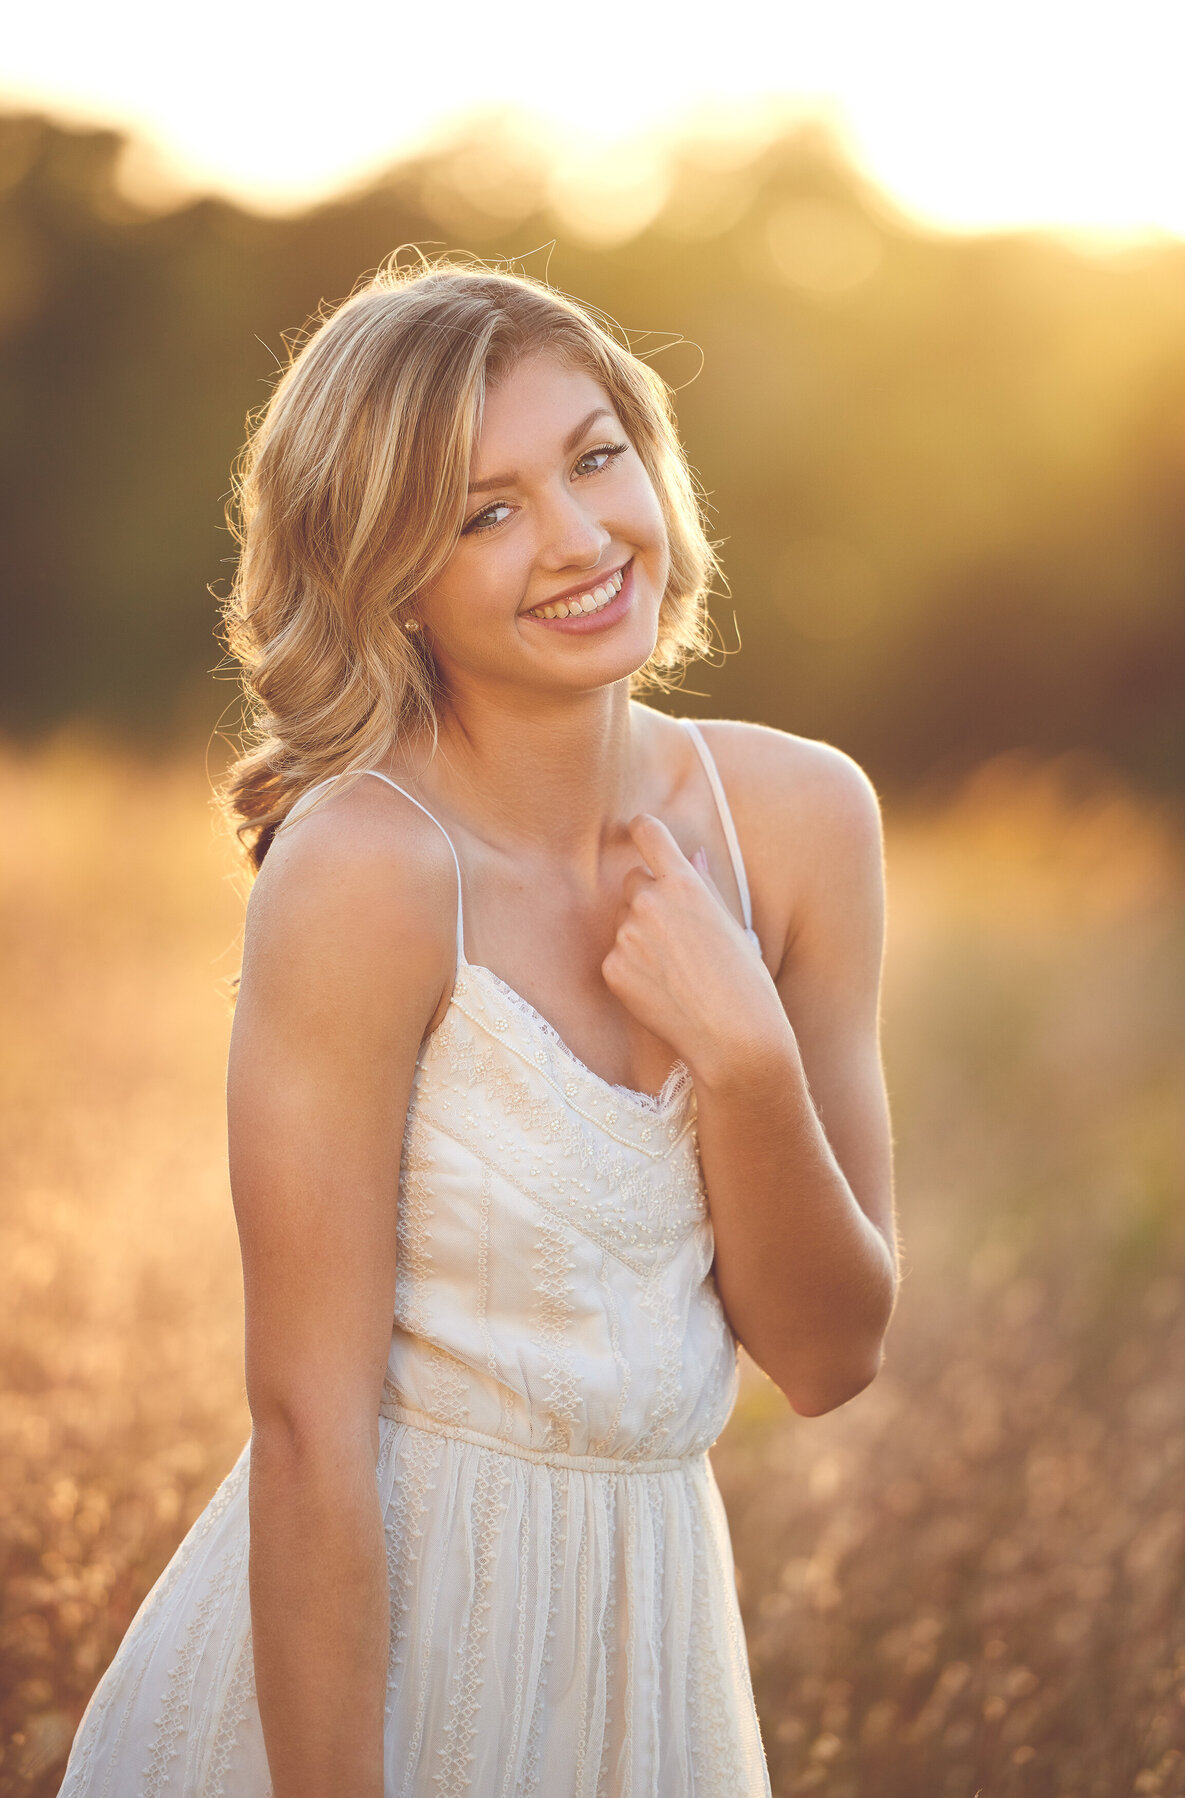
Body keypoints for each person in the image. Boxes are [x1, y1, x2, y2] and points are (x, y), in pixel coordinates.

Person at [58, 258, 897, 1798]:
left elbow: (833, 1349)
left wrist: (747, 1054)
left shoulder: (802, 818)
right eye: (482, 509)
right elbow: (309, 1425)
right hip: (375, 1664)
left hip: (652, 1653)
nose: (579, 538)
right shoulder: (365, 872)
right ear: (387, 572)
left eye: (594, 457)